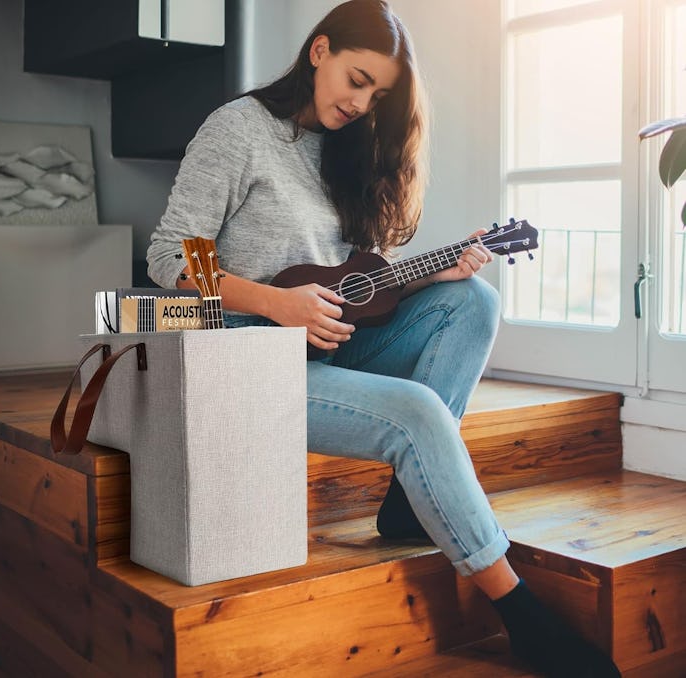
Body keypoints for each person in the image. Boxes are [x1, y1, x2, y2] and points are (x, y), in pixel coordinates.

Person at [147, 2, 620, 675]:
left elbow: (354, 292)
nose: (362, 101)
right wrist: (275, 301)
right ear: (320, 51)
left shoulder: (352, 152)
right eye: (356, 78)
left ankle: (408, 498)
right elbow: (170, 259)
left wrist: (435, 274)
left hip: (326, 343)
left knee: (470, 301)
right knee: (419, 413)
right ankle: (519, 611)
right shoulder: (238, 130)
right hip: (245, 354)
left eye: (379, 93)